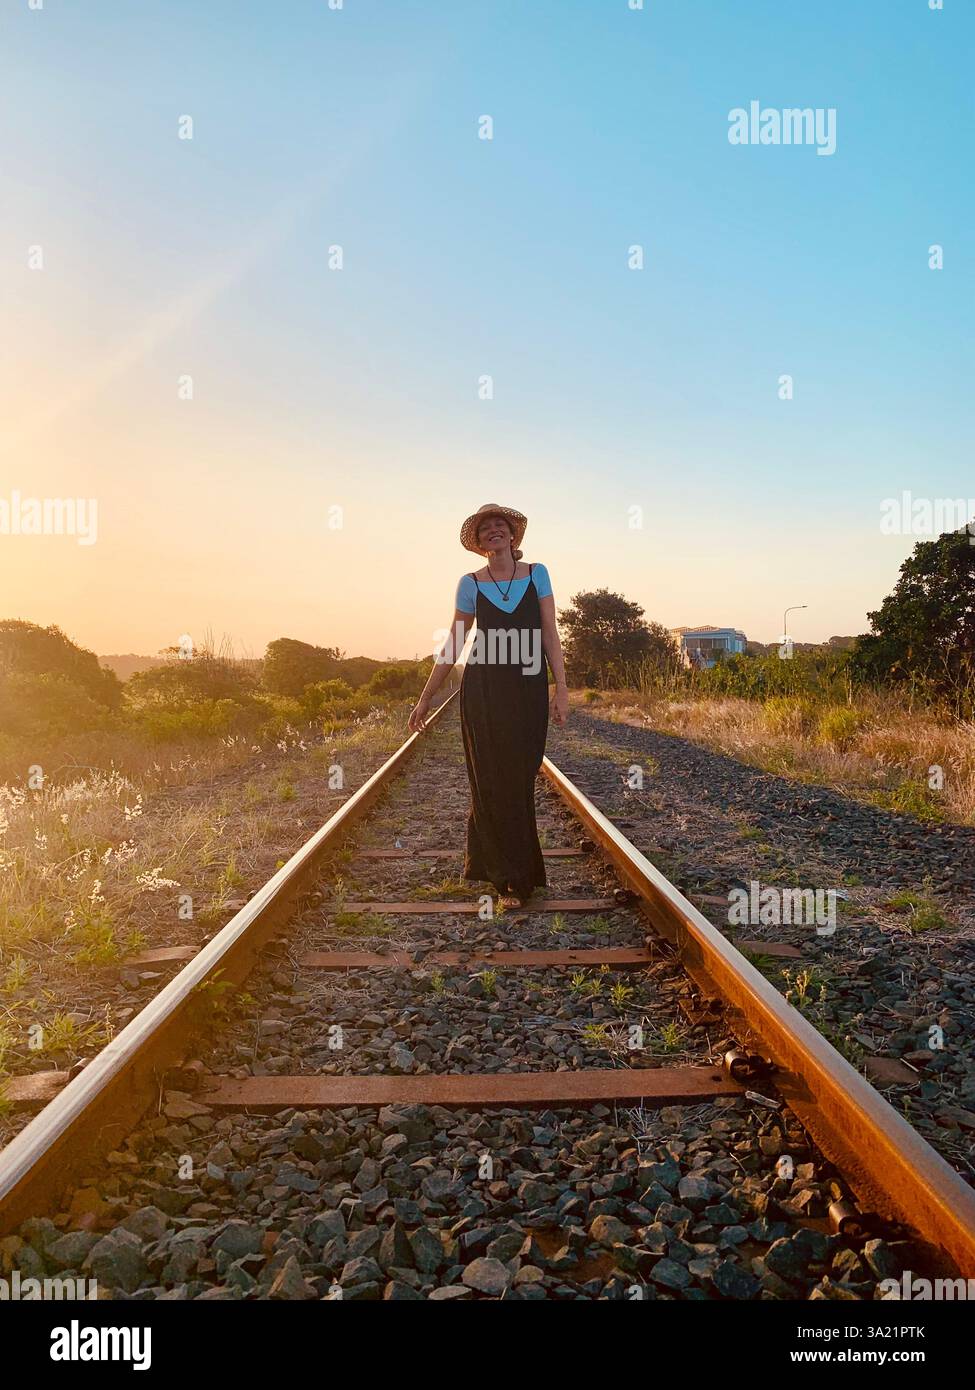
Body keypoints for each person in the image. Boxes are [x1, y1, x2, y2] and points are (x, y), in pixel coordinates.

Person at [408, 503, 569, 908]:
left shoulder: (538, 574)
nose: (494, 531)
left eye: (500, 525)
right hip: (483, 691)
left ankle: (510, 868)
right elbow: (454, 643)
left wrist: (561, 687)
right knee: (490, 780)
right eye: (485, 529)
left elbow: (549, 632)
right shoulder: (470, 583)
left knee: (520, 776)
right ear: (478, 543)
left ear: (513, 535)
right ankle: (509, 879)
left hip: (527, 688)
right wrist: (427, 697)